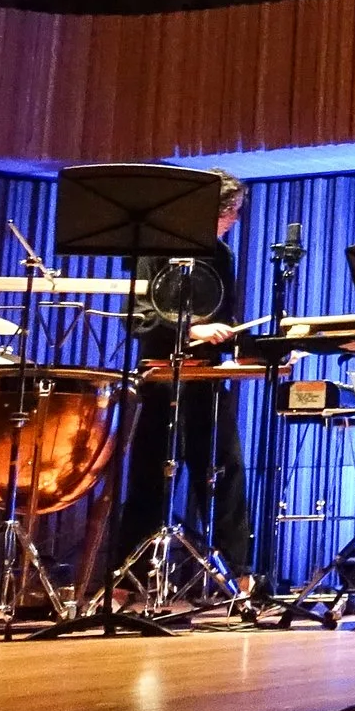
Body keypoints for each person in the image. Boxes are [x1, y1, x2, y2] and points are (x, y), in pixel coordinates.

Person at [113, 169, 255, 593]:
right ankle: (126, 578)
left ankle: (239, 575)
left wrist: (243, 342)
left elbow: (225, 315)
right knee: (150, 474)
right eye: (230, 211)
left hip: (206, 375)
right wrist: (190, 329)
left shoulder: (221, 254)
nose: (234, 219)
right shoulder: (156, 247)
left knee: (225, 470)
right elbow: (138, 316)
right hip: (161, 374)